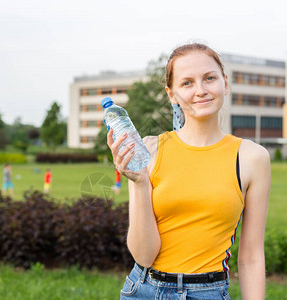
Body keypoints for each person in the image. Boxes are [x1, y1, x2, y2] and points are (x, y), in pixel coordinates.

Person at [108, 43, 270, 299]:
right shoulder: (148, 150)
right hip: (144, 290)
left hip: (208, 292)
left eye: (209, 78)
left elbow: (251, 256)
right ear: (172, 94)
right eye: (187, 83)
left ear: (225, 84)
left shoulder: (252, 158)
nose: (201, 90)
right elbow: (144, 255)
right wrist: (139, 183)